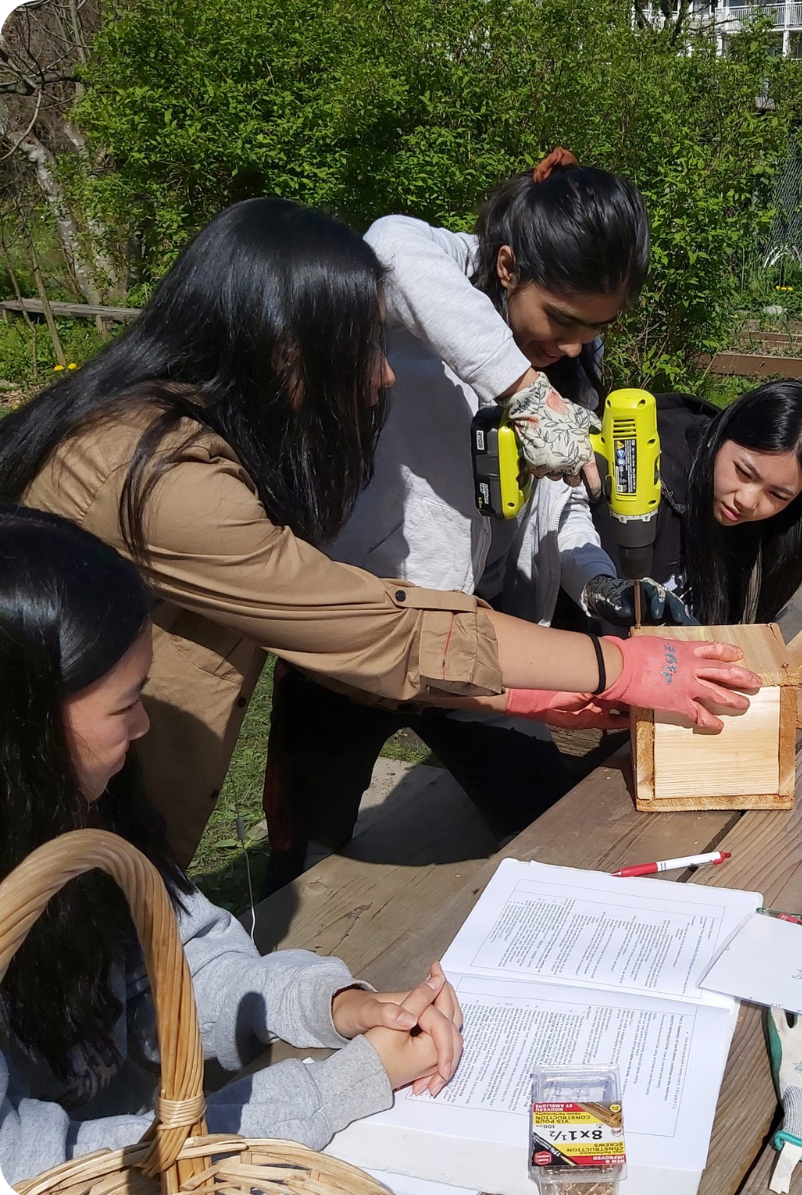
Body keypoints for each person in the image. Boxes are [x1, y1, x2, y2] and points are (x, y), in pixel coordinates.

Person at [0, 197, 760, 865]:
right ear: (280, 344)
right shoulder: (169, 483)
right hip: (61, 813)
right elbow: (375, 630)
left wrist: (549, 663)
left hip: (431, 649)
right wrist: (618, 667)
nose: (384, 375)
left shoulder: (172, 430)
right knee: (305, 845)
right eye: (363, 346)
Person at [0, 506, 468, 1186]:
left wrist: (331, 1004)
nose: (143, 725)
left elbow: (181, 960)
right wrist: (334, 1090)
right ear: (26, 725)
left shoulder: (79, 815)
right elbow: (35, 1168)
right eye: (124, 703)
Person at [261, 154, 685, 891]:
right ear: (509, 265)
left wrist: (598, 583)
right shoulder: (427, 301)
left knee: (548, 820)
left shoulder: (571, 358)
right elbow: (389, 244)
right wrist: (521, 388)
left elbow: (565, 499)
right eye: (562, 319)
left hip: (476, 646)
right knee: (305, 859)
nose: (576, 344)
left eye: (597, 326)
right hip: (359, 633)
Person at [591, 382, 802, 626]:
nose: (747, 500)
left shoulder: (770, 521)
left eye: (778, 495)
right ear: (720, 436)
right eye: (743, 472)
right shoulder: (638, 480)